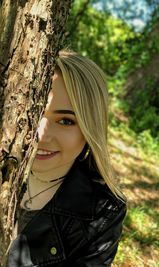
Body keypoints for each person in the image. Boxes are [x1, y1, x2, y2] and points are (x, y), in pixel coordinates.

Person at [7, 50, 126, 267]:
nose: (41, 134)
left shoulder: (103, 212)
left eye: (65, 121)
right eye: (35, 111)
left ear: (91, 128)